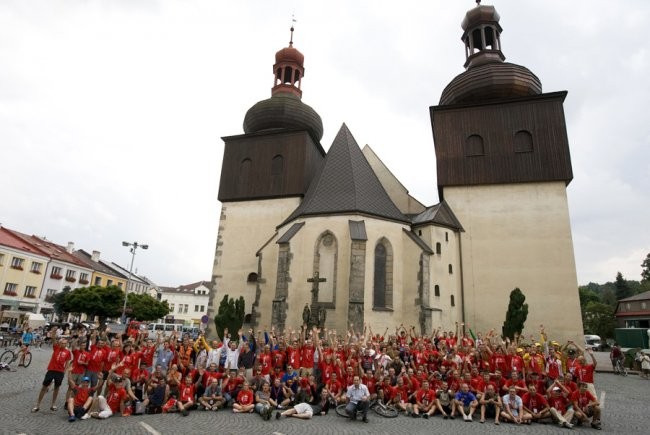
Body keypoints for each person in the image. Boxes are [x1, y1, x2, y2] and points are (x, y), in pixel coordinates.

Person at [32, 329, 72, 413]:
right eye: (62, 343)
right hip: (51, 370)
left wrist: (64, 372)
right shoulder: (56, 347)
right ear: (59, 343)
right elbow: (53, 339)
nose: (63, 345)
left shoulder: (68, 352)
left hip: (59, 372)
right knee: (44, 387)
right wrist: (53, 333)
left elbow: (68, 363)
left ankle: (53, 404)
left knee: (56, 388)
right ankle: (37, 404)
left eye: (65, 343)